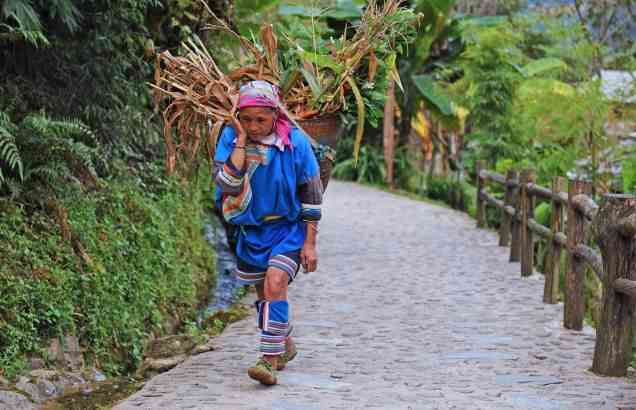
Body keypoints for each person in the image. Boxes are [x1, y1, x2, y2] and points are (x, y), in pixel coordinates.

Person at [213, 80, 323, 386]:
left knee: (276, 281)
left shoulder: (296, 143)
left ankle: (268, 360)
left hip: (288, 229)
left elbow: (312, 195)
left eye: (261, 119)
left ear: (276, 115)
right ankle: (284, 342)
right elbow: (227, 185)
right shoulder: (230, 138)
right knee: (264, 296)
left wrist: (310, 243)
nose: (254, 125)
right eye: (247, 119)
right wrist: (239, 139)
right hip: (250, 232)